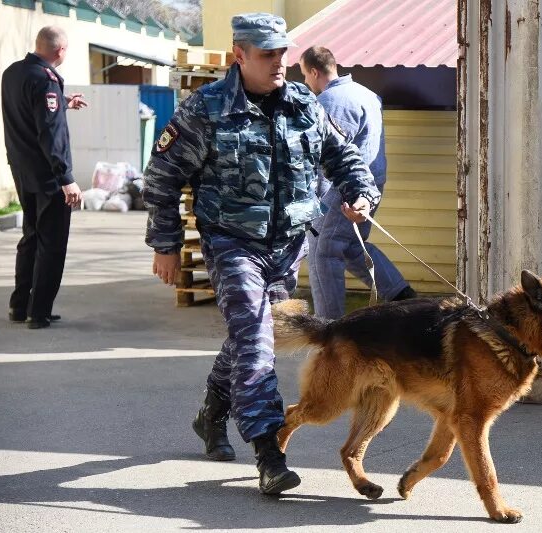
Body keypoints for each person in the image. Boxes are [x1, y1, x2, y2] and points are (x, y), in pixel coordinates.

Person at [143, 13, 380, 495]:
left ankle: (212, 412)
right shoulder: (206, 109)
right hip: (232, 242)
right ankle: (270, 453)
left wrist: (360, 194)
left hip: (288, 246)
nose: (278, 63)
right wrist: (166, 245)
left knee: (248, 334)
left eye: (283, 53)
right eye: (267, 54)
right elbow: (162, 178)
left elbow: (345, 158)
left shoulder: (302, 105)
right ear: (239, 55)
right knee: (255, 338)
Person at [299, 46, 416, 319]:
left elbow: (328, 155)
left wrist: (313, 199)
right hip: (372, 185)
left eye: (305, 75)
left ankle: (329, 329)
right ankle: (401, 295)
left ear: (315, 72)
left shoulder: (331, 101)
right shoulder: (367, 94)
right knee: (352, 247)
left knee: (323, 254)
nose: (306, 82)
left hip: (345, 190)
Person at [1, 26, 86, 330]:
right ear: (60, 50)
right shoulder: (46, 79)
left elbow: (31, 110)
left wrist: (64, 103)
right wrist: (66, 177)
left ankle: (19, 305)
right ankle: (39, 313)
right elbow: (49, 132)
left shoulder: (13, 73)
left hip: (22, 171)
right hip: (48, 176)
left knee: (31, 237)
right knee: (52, 243)